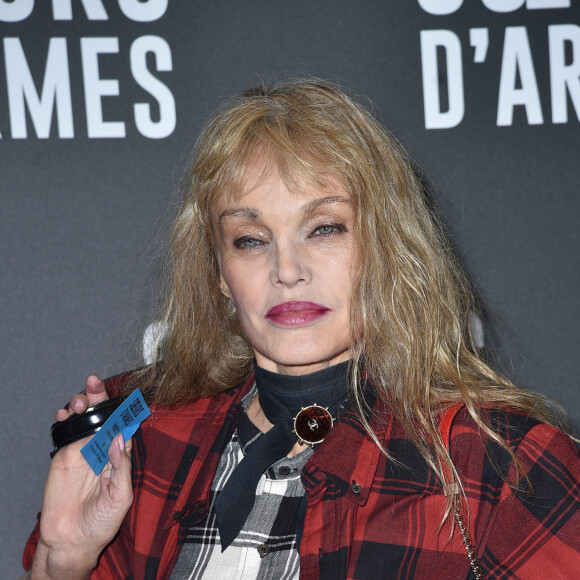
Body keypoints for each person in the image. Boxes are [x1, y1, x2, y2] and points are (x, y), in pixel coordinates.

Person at [21, 79, 580, 579]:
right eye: (250, 239)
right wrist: (63, 560)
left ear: (385, 247)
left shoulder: (503, 463)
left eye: (324, 228)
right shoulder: (140, 442)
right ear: (218, 272)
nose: (286, 270)